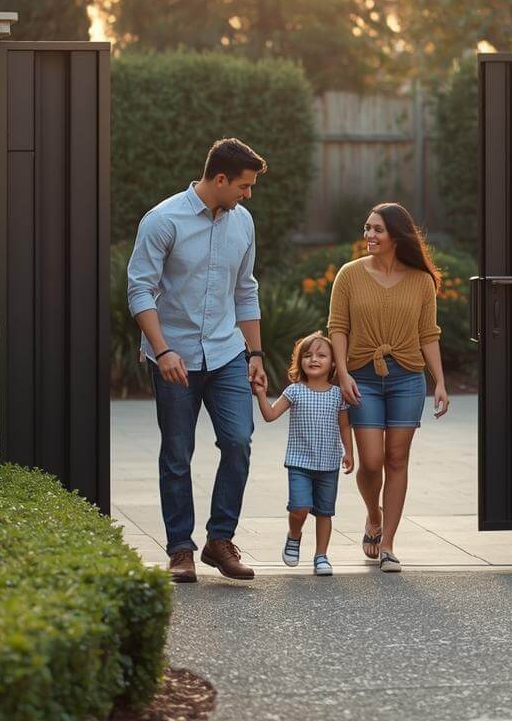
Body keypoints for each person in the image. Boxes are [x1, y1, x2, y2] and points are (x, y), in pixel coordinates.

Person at [126, 137, 269, 583]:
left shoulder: (242, 222)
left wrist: (256, 353)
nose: (248, 194)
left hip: (227, 352)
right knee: (177, 452)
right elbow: (139, 290)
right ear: (220, 179)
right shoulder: (163, 220)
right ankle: (180, 549)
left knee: (238, 441)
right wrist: (162, 349)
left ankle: (219, 540)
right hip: (175, 357)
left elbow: (245, 289)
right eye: (244, 186)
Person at [327, 202, 450, 573]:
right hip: (362, 377)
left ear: (397, 236)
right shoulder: (349, 275)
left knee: (397, 458)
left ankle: (388, 545)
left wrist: (440, 382)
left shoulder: (421, 281)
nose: (369, 235)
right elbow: (338, 328)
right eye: (367, 228)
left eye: (377, 229)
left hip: (407, 378)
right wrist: (343, 373)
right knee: (371, 461)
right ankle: (373, 515)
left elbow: (428, 334)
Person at [252, 331, 354, 577]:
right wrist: (261, 394)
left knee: (325, 512)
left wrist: (349, 452)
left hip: (329, 464)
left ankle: (321, 556)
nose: (314, 359)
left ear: (333, 363)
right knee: (299, 508)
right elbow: (270, 415)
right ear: (300, 362)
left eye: (321, 355)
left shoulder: (338, 394)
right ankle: (294, 535)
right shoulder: (295, 391)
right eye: (307, 355)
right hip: (299, 463)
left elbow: (344, 426)